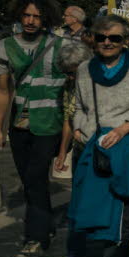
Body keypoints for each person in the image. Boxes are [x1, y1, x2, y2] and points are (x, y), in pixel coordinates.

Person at [54, 16, 129, 257]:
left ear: (125, 40)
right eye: (101, 38)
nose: (107, 43)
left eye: (114, 38)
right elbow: (82, 107)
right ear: (94, 40)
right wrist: (80, 129)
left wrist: (125, 128)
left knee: (119, 216)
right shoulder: (86, 69)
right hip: (94, 148)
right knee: (94, 213)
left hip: (125, 146)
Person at [0, 0, 69, 257]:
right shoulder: (3, 47)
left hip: (50, 124)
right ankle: (44, 225)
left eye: (36, 16)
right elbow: (2, 90)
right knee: (30, 182)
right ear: (19, 15)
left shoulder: (62, 46)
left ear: (45, 19)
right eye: (26, 15)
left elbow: (77, 85)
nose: (31, 21)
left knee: (35, 178)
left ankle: (35, 238)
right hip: (19, 126)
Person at [52, 40, 94, 181]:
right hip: (80, 148)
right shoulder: (69, 85)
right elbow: (68, 118)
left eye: (72, 72)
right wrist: (62, 152)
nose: (69, 77)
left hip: (99, 148)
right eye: (66, 73)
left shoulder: (100, 83)